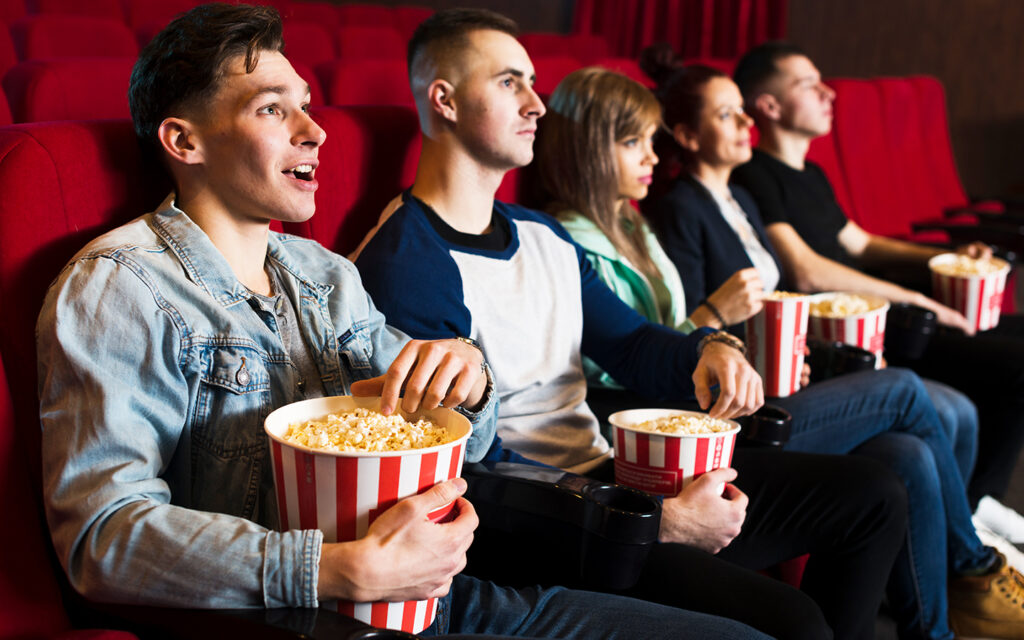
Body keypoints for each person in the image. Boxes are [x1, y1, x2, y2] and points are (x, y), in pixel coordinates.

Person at [33, 5, 776, 639]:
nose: (314, 131)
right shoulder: (118, 286)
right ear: (183, 142)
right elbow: (101, 539)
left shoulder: (325, 275)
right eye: (270, 108)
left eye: (306, 104)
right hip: (305, 618)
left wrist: (470, 379)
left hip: (437, 598)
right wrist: (334, 569)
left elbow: (466, 442)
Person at [355, 9, 909, 639]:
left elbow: (632, 342)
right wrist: (649, 516)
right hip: (544, 524)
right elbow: (461, 471)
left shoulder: (543, 233)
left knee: (872, 493)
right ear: (445, 100)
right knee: (796, 622)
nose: (537, 103)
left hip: (610, 478)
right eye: (511, 83)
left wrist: (711, 348)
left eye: (534, 82)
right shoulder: (406, 261)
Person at [538, 61, 1017, 640]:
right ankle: (971, 569)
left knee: (904, 455)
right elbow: (625, 361)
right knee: (906, 390)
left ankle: (936, 627)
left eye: (650, 140)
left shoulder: (632, 224)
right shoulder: (568, 242)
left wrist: (740, 343)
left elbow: (678, 335)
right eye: (632, 142)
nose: (651, 155)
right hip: (679, 427)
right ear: (590, 150)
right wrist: (716, 322)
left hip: (725, 398)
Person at [727, 41, 1024, 639]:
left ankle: (968, 535)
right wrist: (918, 298)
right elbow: (806, 269)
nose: (829, 92)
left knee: (965, 399)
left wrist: (941, 257)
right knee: (966, 389)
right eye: (809, 83)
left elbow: (860, 242)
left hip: (869, 315)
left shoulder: (809, 172)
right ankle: (970, 557)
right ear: (770, 105)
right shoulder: (756, 175)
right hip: (841, 331)